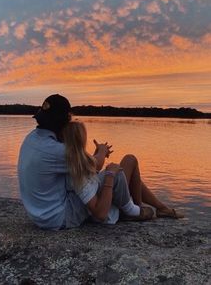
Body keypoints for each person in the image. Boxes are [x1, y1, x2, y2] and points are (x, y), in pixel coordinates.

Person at [18, 94, 183, 230]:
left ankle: (156, 207)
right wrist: (102, 152)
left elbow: (83, 164)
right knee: (125, 165)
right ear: (63, 124)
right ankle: (135, 211)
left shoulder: (31, 139)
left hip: (40, 214)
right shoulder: (58, 151)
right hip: (59, 216)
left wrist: (96, 155)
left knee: (124, 166)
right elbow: (96, 165)